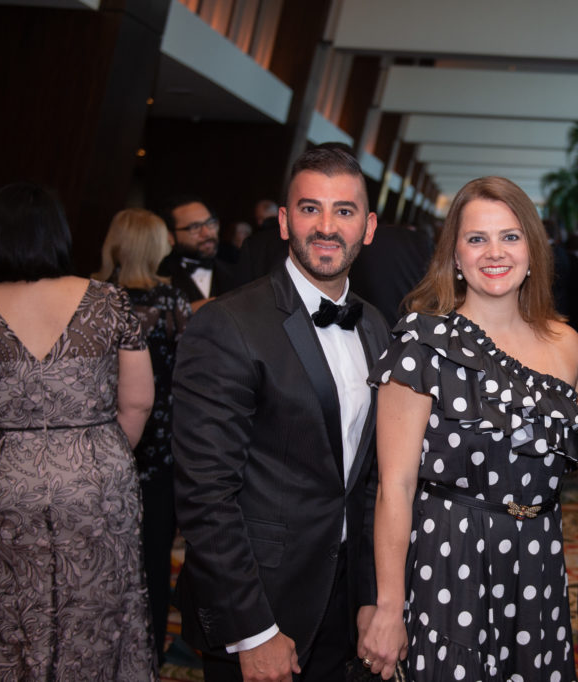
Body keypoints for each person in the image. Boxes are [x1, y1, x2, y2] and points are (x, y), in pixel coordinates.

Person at [360, 176, 578, 681]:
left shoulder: (567, 344)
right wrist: (388, 607)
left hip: (537, 563)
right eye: (477, 238)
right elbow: (394, 487)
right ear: (454, 255)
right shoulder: (423, 344)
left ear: (533, 251)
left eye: (510, 236)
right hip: (449, 560)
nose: (495, 252)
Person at [172, 146, 389, 682]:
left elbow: (369, 480)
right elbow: (205, 494)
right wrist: (253, 630)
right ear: (286, 221)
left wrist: (371, 596)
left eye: (344, 210)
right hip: (260, 602)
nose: (327, 227)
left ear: (368, 227)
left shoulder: (375, 326)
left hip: (343, 602)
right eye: (311, 208)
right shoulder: (228, 324)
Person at [0, 183, 157, 679]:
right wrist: (95, 457)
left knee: (4, 611)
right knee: (100, 608)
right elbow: (139, 401)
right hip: (94, 479)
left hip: (0, 484)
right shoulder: (109, 301)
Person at [94, 207, 194, 665]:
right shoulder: (171, 301)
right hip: (158, 448)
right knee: (153, 558)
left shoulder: (91, 297)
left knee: (95, 557)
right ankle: (147, 657)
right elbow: (189, 373)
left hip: (98, 444)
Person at [158, 195, 237, 310]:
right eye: (195, 227)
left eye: (210, 223)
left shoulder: (236, 271)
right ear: (170, 236)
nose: (206, 233)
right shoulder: (157, 277)